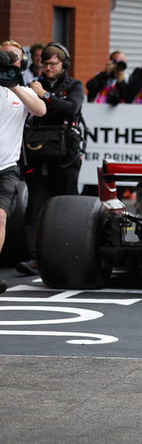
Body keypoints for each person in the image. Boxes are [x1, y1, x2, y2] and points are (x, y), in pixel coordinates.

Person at [17, 43, 85, 275]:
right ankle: (33, 258)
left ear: (63, 64)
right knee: (34, 208)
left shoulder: (74, 85)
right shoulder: (34, 84)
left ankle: (71, 255)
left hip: (65, 157)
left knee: (68, 207)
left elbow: (72, 109)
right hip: (37, 155)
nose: (48, 68)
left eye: (53, 63)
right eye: (45, 63)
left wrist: (45, 96)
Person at [0, 47, 46, 289]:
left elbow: (40, 110)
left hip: (6, 167)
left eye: (12, 57)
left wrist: (13, 84)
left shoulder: (24, 91)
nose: (8, 61)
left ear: (22, 63)